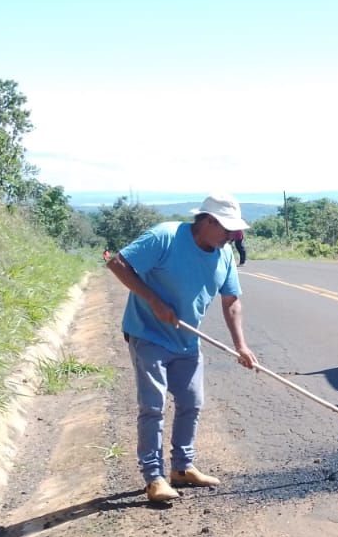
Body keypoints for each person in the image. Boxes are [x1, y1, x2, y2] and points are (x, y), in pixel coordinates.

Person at [106, 193, 259, 505]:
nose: (231, 236)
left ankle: (182, 468)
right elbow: (117, 262)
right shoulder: (165, 236)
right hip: (148, 333)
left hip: (187, 340)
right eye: (226, 229)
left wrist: (241, 345)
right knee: (153, 405)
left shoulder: (225, 254)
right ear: (207, 221)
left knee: (192, 402)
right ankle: (154, 478)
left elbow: (232, 301)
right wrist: (153, 300)